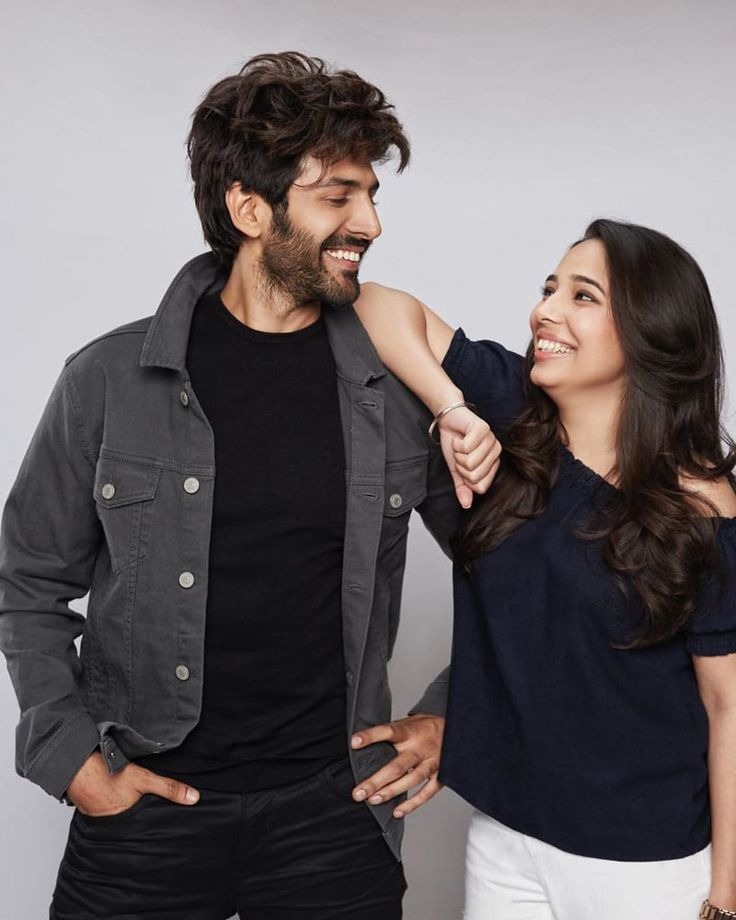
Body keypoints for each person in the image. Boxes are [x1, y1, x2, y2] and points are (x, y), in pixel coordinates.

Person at [0, 52, 496, 919]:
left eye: (372, 196)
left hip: (332, 817)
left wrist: (455, 714)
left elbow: (514, 569)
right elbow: (27, 584)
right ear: (249, 208)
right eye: (338, 197)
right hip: (143, 813)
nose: (370, 222)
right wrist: (72, 757)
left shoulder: (394, 389)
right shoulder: (110, 380)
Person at [354, 218, 736, 919]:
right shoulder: (510, 407)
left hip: (644, 865)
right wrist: (450, 410)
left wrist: (728, 892)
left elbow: (728, 706)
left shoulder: (700, 503)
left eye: (583, 296)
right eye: (548, 288)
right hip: (507, 836)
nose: (546, 311)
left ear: (650, 332)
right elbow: (373, 302)